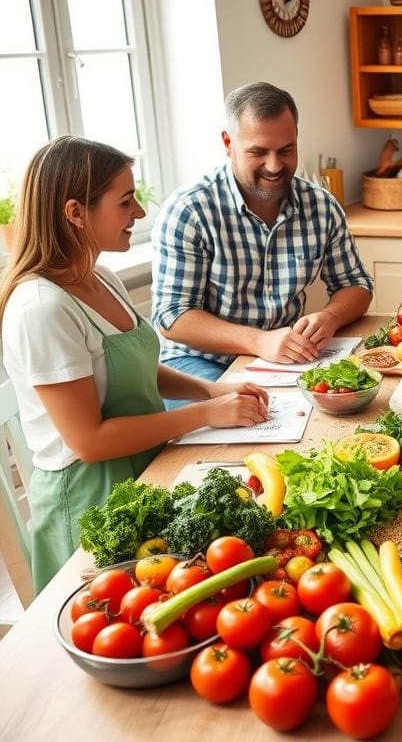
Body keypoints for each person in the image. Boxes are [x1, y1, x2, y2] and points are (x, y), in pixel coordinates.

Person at [0, 136, 269, 592]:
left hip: (144, 469)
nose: (140, 215)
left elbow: (135, 368)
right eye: (126, 203)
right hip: (90, 503)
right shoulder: (41, 308)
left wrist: (212, 390)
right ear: (75, 213)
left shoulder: (98, 276)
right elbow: (88, 441)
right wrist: (204, 414)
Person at [152, 81, 373, 383]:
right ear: (228, 144)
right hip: (198, 364)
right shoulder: (188, 211)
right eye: (258, 152)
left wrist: (329, 318)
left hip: (284, 360)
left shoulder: (320, 205)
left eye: (286, 150)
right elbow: (172, 316)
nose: (274, 165)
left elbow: (356, 285)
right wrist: (258, 341)